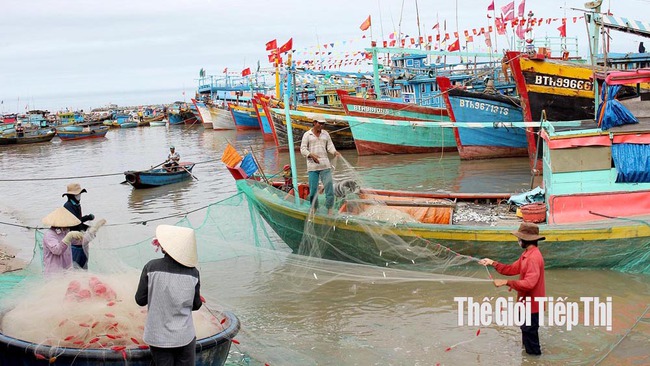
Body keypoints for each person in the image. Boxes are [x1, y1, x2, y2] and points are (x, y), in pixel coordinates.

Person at [135, 225, 202, 366]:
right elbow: (196, 306)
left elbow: (140, 300)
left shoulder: (150, 267)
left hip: (158, 337)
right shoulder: (193, 273)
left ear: (164, 248)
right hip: (185, 336)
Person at [478, 222, 546, 355]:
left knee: (531, 342)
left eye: (519, 238)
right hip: (526, 303)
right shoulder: (527, 254)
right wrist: (493, 263)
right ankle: (528, 360)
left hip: (531, 305)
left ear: (526, 240)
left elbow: (529, 284)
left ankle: (534, 362)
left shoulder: (533, 258)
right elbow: (511, 269)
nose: (518, 240)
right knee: (527, 334)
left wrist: (506, 282)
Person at [41, 207, 105, 277]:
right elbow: (57, 250)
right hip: (53, 274)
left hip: (67, 272)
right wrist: (68, 237)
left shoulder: (65, 232)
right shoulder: (49, 235)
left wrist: (93, 230)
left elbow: (81, 241)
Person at [300, 118, 341, 215]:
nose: (322, 126)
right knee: (313, 190)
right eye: (320, 123)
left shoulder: (325, 134)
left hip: (325, 166)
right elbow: (303, 149)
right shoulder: (307, 135)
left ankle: (330, 209)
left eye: (323, 124)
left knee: (329, 188)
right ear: (314, 123)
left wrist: (335, 152)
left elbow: (330, 146)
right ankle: (314, 208)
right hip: (312, 167)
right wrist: (311, 155)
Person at [62, 183, 95, 269]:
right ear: (71, 195)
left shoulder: (77, 205)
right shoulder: (68, 206)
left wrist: (88, 228)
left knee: (83, 265)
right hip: (73, 239)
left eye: (79, 194)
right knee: (74, 266)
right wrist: (87, 218)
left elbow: (79, 221)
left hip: (80, 238)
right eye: (77, 194)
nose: (79, 196)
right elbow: (75, 221)